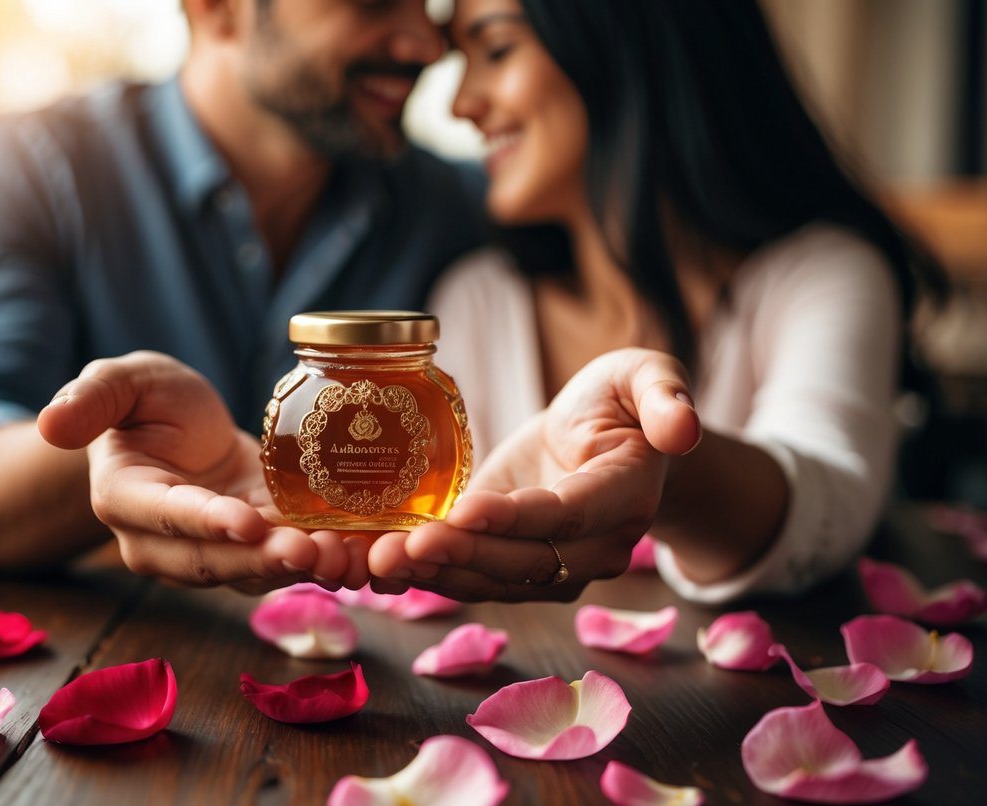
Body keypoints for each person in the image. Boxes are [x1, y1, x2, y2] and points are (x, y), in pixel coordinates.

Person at [0, 0, 490, 589]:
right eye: (374, 2)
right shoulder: (31, 169)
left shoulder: (455, 206)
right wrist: (118, 452)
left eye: (427, 2)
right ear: (216, 8)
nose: (425, 45)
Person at [365, 0, 947, 604]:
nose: (463, 104)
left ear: (630, 44)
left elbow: (832, 498)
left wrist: (666, 473)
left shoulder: (823, 274)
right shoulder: (478, 298)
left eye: (497, 50)